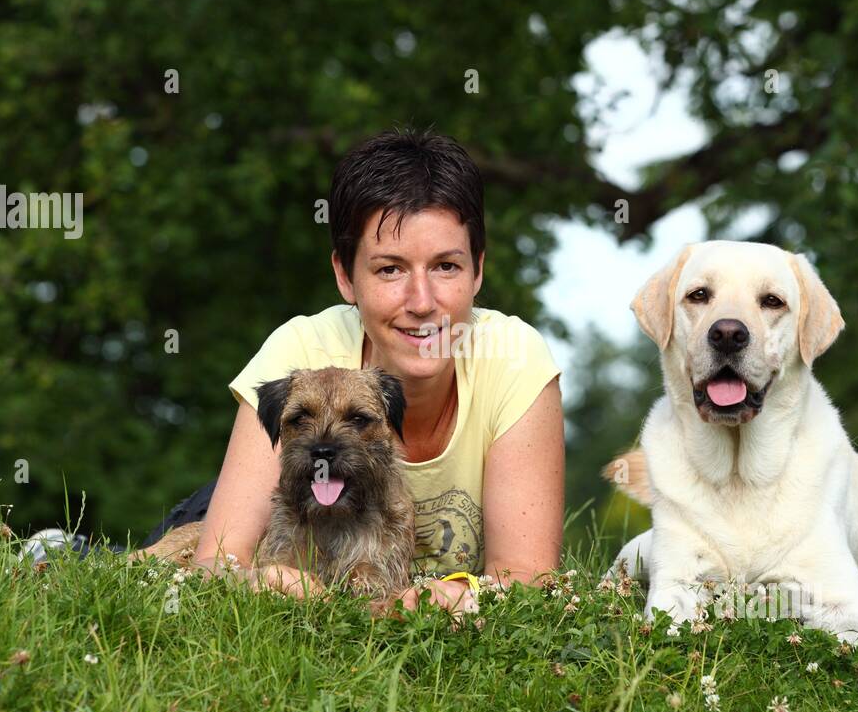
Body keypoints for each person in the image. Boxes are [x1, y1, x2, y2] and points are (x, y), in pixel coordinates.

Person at [30, 129, 565, 615]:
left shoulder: (514, 359)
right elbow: (222, 561)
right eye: (389, 269)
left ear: (478, 271)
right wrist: (267, 584)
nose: (421, 301)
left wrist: (445, 598)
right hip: (261, 506)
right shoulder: (301, 348)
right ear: (345, 277)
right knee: (161, 563)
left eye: (446, 266)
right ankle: (61, 553)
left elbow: (527, 579)